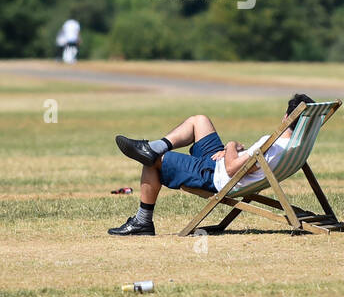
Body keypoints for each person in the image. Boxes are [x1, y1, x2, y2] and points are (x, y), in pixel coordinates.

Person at [107, 93, 313, 236]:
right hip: (221, 163)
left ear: (286, 118)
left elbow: (234, 170)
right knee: (199, 120)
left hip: (216, 175)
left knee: (152, 161)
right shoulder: (294, 146)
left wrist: (232, 146)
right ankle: (154, 146)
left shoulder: (274, 144)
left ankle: (142, 222)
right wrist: (233, 152)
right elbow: (246, 165)